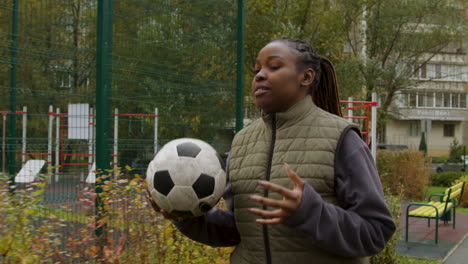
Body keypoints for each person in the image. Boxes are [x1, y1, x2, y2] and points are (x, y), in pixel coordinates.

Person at [148, 37, 396, 264]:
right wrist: (185, 216)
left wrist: (311, 212)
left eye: (273, 67)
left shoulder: (341, 138)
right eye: (257, 70)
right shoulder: (242, 142)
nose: (259, 76)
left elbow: (375, 232)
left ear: (306, 77)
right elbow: (238, 229)